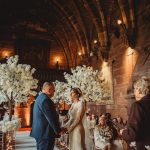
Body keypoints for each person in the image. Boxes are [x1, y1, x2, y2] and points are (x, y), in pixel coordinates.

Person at [120, 76, 150, 150]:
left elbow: (132, 134)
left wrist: (123, 132)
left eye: (135, 89)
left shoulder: (137, 105)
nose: (134, 92)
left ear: (139, 90)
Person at [30, 82, 62, 150]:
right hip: (45, 133)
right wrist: (58, 130)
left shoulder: (40, 97)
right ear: (49, 90)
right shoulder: (46, 100)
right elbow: (51, 118)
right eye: (54, 90)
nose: (54, 92)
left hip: (41, 132)